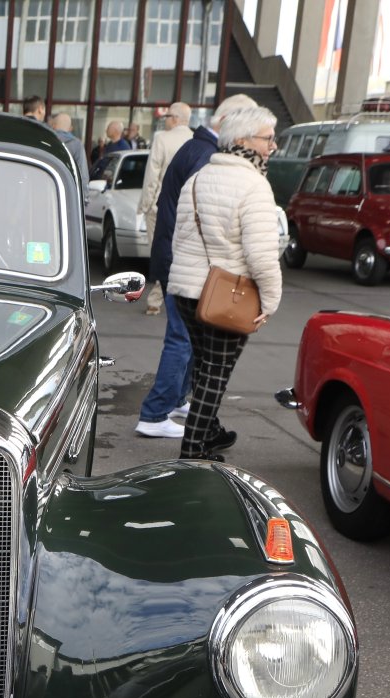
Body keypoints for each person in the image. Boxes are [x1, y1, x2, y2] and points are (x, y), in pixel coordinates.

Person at [135, 92, 256, 439]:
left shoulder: (198, 148)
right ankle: (155, 413)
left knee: (188, 337)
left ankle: (174, 401)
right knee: (182, 338)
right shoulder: (205, 154)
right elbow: (208, 216)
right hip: (185, 261)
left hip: (177, 256)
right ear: (230, 124)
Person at [168, 106, 283, 462]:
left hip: (187, 291)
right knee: (215, 373)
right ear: (244, 140)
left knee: (204, 366)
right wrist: (271, 300)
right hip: (226, 296)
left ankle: (209, 431)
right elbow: (261, 255)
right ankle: (193, 451)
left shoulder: (198, 178)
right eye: (268, 138)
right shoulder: (254, 185)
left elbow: (178, 238)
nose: (273, 146)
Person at [139, 102, 195, 315]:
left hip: (160, 206)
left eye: (167, 117)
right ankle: (170, 299)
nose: (165, 121)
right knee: (180, 254)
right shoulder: (195, 141)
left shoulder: (162, 139)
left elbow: (152, 175)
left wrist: (145, 204)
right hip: (186, 207)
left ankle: (157, 299)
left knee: (159, 252)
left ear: (175, 119)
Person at [48, 111, 89, 193]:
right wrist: (84, 195)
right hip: (68, 192)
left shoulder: (47, 140)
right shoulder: (77, 144)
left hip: (47, 187)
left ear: (53, 125)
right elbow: (82, 175)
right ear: (70, 128)